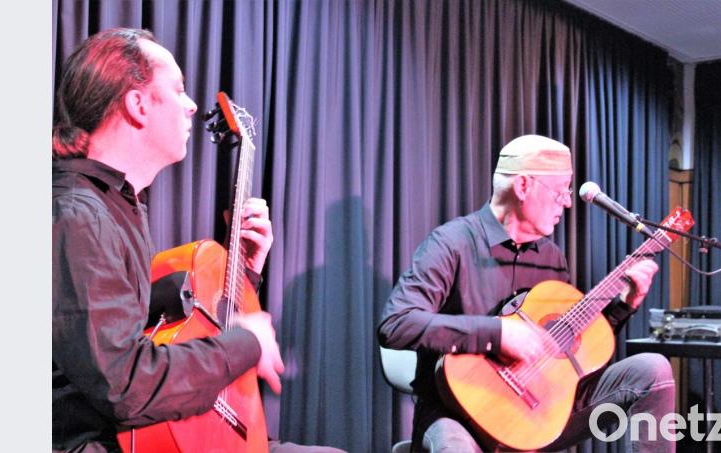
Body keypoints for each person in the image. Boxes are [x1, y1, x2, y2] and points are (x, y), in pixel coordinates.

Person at [52, 28, 342, 453]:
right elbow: (126, 384)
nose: (190, 106)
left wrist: (243, 275)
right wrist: (247, 341)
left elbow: (169, 333)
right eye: (178, 90)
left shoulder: (118, 207)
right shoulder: (78, 215)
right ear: (137, 104)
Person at [377, 134, 675, 452]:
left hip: (533, 414)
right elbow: (396, 324)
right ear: (523, 187)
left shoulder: (551, 258)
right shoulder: (451, 243)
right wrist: (497, 332)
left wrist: (622, 307)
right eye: (561, 191)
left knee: (652, 369)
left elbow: (571, 349)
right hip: (455, 413)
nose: (568, 202)